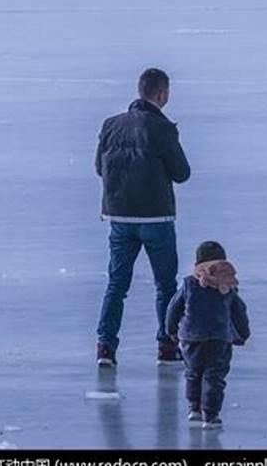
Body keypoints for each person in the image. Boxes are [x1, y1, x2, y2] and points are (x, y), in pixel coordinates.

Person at [95, 68, 191, 367]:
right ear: (161, 94)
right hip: (156, 219)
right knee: (165, 285)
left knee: (116, 285)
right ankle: (166, 344)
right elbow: (182, 173)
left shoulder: (111, 125)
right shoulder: (161, 128)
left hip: (119, 217)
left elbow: (100, 167)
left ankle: (105, 348)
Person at [166, 241, 251, 430]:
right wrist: (243, 334)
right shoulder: (227, 286)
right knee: (214, 376)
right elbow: (239, 311)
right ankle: (210, 416)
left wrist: (171, 329)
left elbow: (174, 308)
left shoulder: (189, 283)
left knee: (193, 373)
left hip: (190, 338)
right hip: (219, 339)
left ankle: (194, 408)